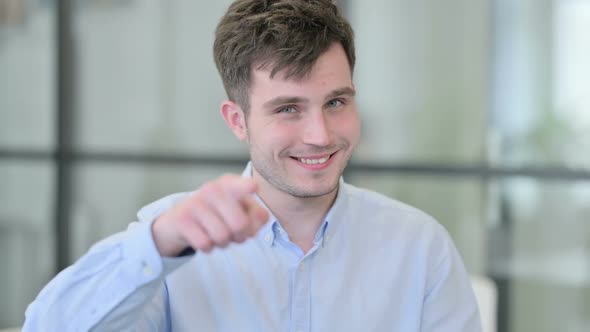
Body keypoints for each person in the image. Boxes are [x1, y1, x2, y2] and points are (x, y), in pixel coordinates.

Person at [23, 0, 482, 331]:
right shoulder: (173, 240)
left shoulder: (420, 247)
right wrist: (161, 244)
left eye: (336, 101)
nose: (320, 135)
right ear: (237, 121)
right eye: (288, 109)